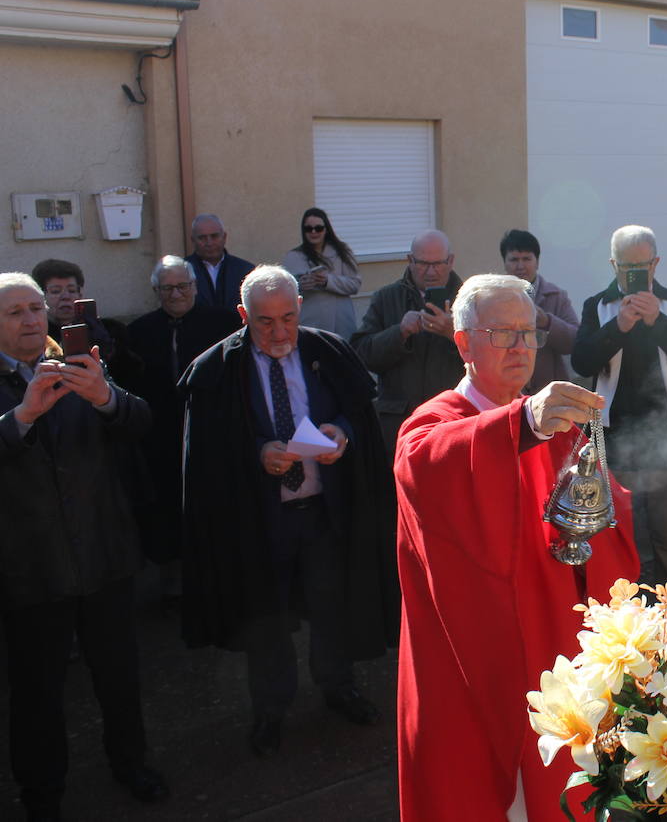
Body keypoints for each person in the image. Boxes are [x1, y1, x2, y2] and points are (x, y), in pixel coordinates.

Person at [394, 273, 638, 821]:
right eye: (501, 334)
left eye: (529, 334)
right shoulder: (437, 422)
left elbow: (601, 510)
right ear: (463, 344)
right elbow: (426, 463)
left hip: (552, 648)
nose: (521, 348)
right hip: (476, 661)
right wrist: (520, 423)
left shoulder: (551, 419)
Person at [179, 266, 397, 758]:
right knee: (266, 616)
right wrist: (257, 451)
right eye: (264, 322)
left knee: (331, 603)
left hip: (322, 511)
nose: (279, 333)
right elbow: (207, 451)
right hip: (258, 521)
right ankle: (271, 709)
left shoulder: (326, 350)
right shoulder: (216, 369)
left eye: (288, 319)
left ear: (300, 310)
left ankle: (338, 687)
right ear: (242, 316)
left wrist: (342, 432)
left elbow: (358, 409)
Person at [0, 272, 168, 820]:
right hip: (30, 568)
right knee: (37, 692)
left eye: (33, 308)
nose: (29, 320)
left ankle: (131, 764)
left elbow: (141, 422)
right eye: (14, 312)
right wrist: (22, 415)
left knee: (118, 677)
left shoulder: (78, 364)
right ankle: (41, 792)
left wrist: (105, 397)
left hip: (104, 556)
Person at [573, 225, 667, 585]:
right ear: (613, 265)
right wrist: (618, 328)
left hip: (666, 433)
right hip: (614, 435)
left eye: (642, 266)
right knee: (615, 531)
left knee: (666, 533)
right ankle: (620, 614)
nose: (635, 274)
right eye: (627, 267)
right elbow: (581, 363)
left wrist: (659, 322)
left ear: (656, 263)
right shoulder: (598, 305)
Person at [125, 256, 240, 576]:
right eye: (167, 288)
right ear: (156, 290)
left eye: (182, 286)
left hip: (212, 432)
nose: (175, 294)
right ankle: (173, 583)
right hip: (160, 436)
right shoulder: (139, 331)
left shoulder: (224, 324)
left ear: (195, 287)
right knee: (167, 508)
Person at [351, 229, 464, 455]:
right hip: (398, 424)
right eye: (423, 264)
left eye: (438, 264)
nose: (431, 272)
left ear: (450, 261)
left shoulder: (469, 299)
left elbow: (490, 358)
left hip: (452, 423)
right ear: (409, 261)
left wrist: (454, 335)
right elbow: (361, 355)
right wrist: (400, 333)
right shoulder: (386, 297)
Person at [31, 257, 142, 389]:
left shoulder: (111, 329)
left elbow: (135, 376)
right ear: (41, 296)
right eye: (56, 291)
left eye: (72, 290)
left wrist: (111, 353)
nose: (66, 296)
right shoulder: (37, 335)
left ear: (80, 294)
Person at [500, 228, 579, 392]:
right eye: (514, 259)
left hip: (549, 393)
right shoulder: (493, 299)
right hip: (506, 392)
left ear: (537, 262)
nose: (520, 266)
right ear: (504, 263)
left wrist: (547, 322)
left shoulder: (556, 296)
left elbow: (575, 342)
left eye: (527, 259)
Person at [282, 207, 362, 337]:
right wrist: (299, 285)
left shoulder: (342, 252)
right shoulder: (294, 256)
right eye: (309, 229)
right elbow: (284, 292)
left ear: (326, 229)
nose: (314, 232)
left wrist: (327, 281)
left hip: (340, 325)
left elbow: (355, 284)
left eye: (318, 228)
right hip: (310, 324)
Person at [186, 213, 255, 309]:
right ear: (193, 240)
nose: (209, 243)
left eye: (214, 236)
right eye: (202, 238)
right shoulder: (182, 272)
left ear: (224, 237)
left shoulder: (246, 271)